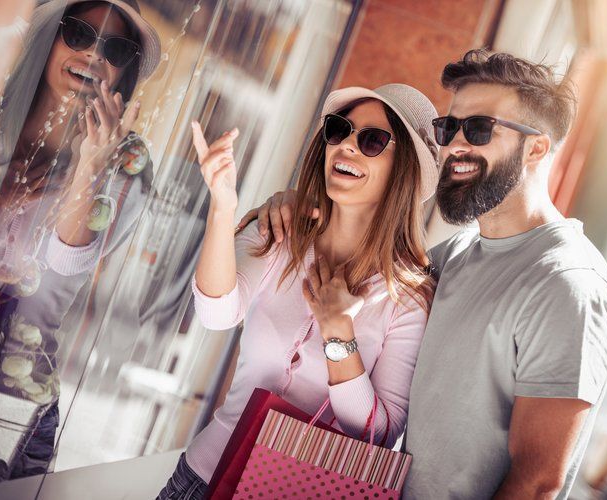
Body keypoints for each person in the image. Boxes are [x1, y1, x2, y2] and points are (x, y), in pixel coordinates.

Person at [240, 49, 607, 499]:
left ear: (536, 147)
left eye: (479, 129)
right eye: (449, 128)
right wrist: (287, 209)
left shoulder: (566, 284)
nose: (457, 145)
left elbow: (538, 483)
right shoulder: (454, 255)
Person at [156, 84, 439, 499]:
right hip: (201, 480)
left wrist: (338, 334)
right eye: (339, 130)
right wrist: (222, 206)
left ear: (405, 170)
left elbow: (378, 433)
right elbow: (217, 313)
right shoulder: (279, 231)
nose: (346, 146)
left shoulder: (407, 299)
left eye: (373, 140)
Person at [0, 0, 159, 484]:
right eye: (77, 33)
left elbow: (63, 265)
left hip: (5, 402)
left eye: (115, 48)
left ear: (125, 71)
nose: (93, 54)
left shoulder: (127, 162)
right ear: (49, 36)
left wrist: (90, 165)